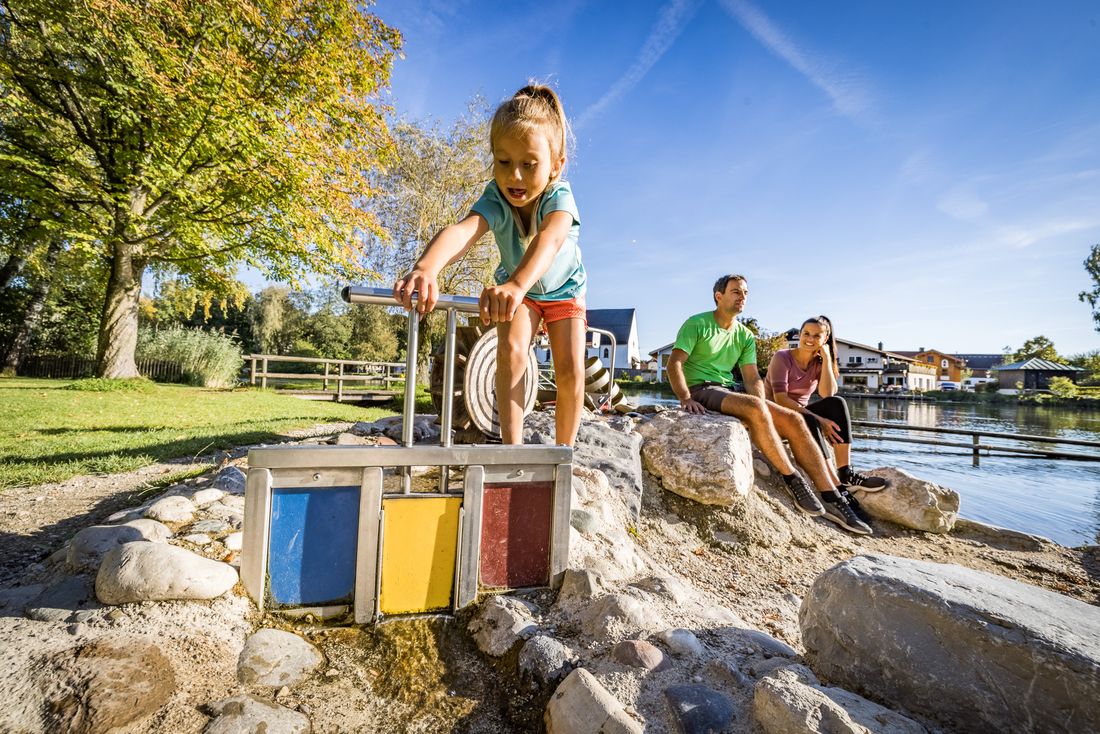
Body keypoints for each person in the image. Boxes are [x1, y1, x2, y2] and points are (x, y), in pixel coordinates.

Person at [393, 84, 586, 446]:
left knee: (571, 369)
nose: (514, 176)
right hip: (519, 293)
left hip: (564, 290)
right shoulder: (496, 198)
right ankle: (511, 450)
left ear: (556, 165)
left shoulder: (560, 196)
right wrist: (427, 267)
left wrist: (516, 285)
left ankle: (565, 451)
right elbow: (464, 230)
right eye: (503, 162)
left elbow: (551, 238)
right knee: (511, 353)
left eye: (529, 165)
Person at [666, 275, 872, 535]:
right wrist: (685, 398)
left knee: (795, 419)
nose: (742, 297)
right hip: (702, 388)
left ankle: (833, 498)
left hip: (729, 388)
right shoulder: (697, 323)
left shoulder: (744, 335)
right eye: (735, 292)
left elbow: (752, 377)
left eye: (745, 293)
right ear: (719, 296)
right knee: (756, 408)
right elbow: (674, 363)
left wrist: (765, 405)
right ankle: (792, 479)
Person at [766, 316, 889, 494]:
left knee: (836, 403)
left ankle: (846, 473)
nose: (810, 339)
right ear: (799, 335)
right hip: (776, 416)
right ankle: (834, 485)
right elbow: (780, 399)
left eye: (817, 336)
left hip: (798, 415)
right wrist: (820, 420)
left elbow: (828, 393)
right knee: (808, 418)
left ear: (825, 339)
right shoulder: (782, 357)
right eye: (806, 333)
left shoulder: (819, 362)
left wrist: (825, 357)